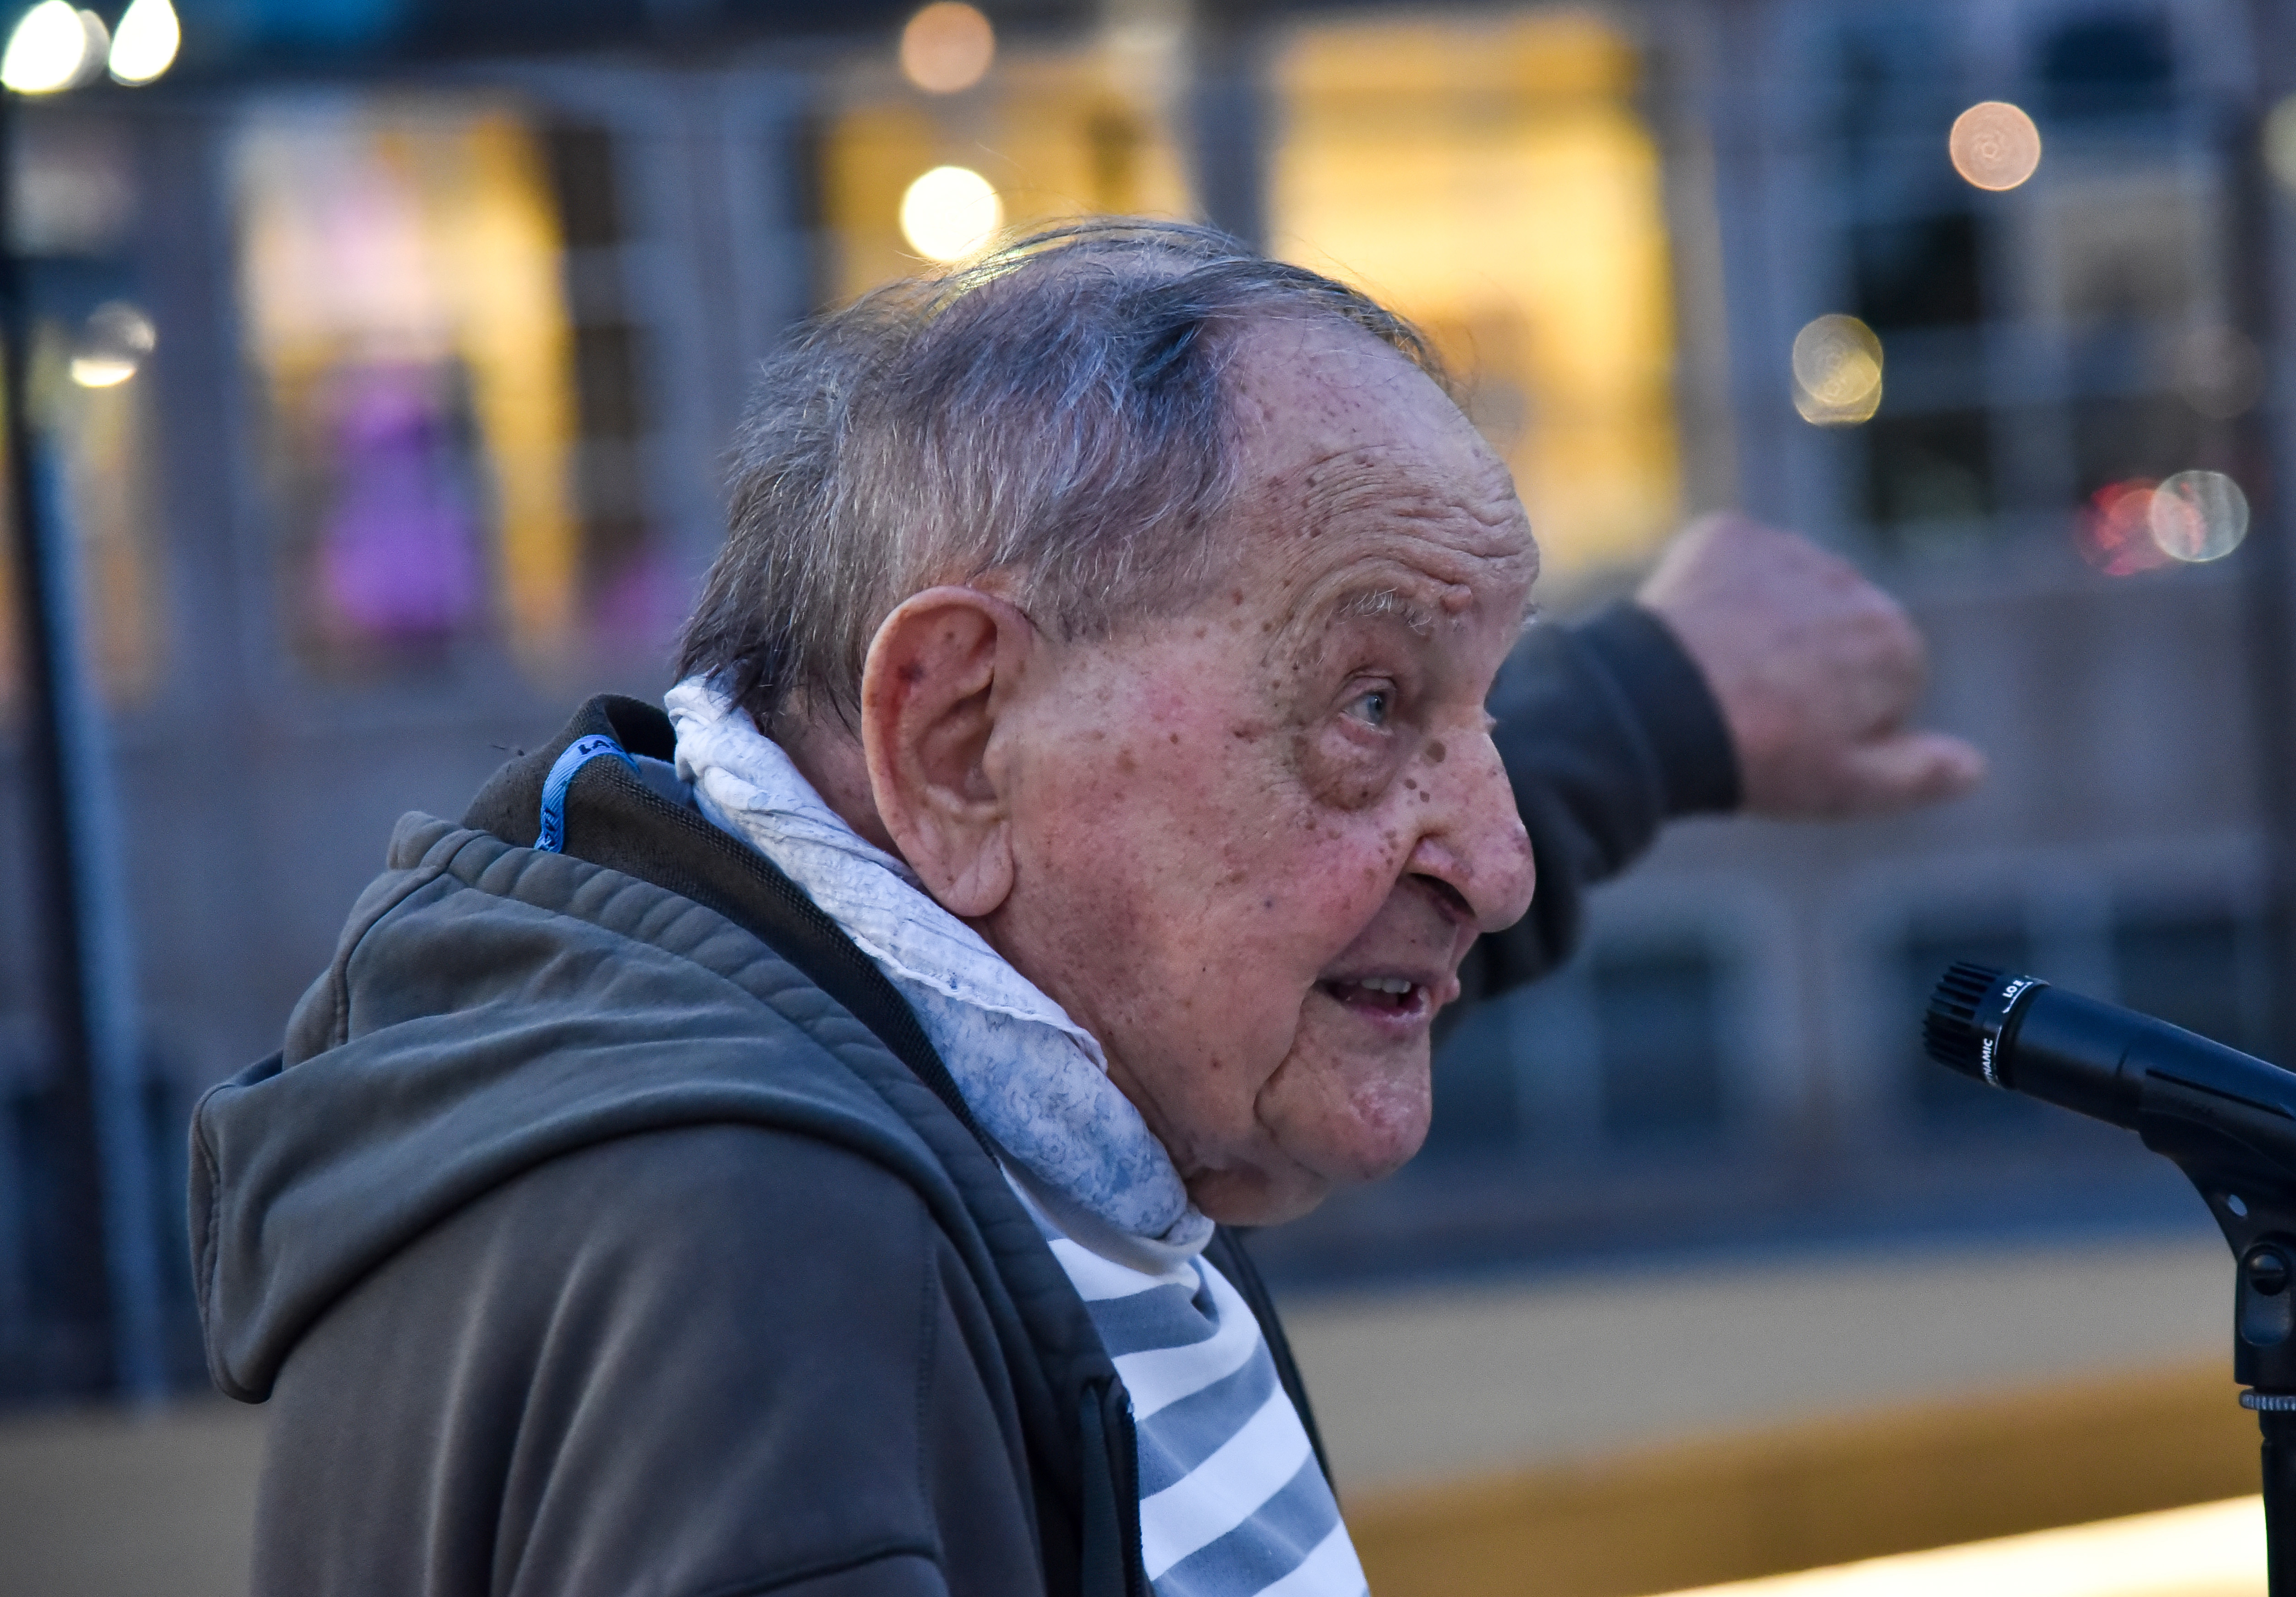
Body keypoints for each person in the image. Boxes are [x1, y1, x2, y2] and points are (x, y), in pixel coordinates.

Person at [190, 221, 1977, 1597]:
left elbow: (1276, 938)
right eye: (1374, 700)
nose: (1491, 858)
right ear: (960, 735)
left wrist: (1664, 707)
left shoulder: (895, 1023)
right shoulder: (764, 1259)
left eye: (1479, 707)